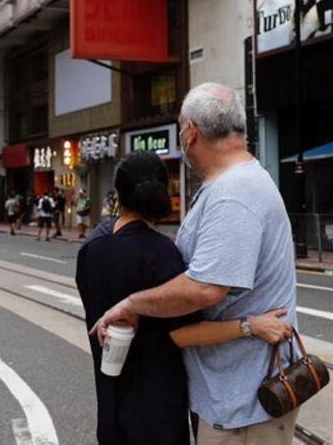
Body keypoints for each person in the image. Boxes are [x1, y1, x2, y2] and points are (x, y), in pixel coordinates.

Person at [91, 83, 300, 444]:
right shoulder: (234, 183)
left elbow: (205, 288)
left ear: (190, 134)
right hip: (232, 391)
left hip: (244, 398)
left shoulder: (234, 194)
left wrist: (131, 303)